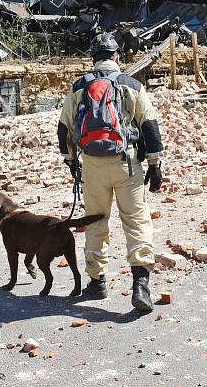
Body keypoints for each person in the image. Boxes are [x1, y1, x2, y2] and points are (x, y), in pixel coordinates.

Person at [57, 32, 164, 312]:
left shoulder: (79, 87)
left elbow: (64, 128)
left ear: (93, 58)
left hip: (92, 165)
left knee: (95, 221)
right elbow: (150, 126)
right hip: (126, 164)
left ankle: (97, 281)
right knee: (136, 221)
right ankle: (140, 284)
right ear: (117, 56)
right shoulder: (132, 85)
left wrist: (71, 161)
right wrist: (155, 165)